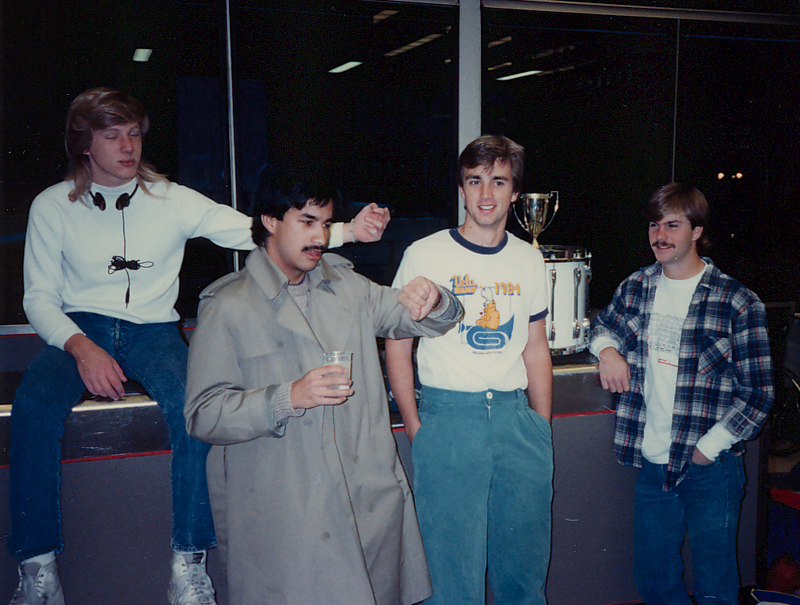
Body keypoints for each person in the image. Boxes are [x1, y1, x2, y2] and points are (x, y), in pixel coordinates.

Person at [9, 87, 389, 605]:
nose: (128, 146)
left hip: (153, 330)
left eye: (135, 134)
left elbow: (254, 230)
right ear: (84, 144)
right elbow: (38, 297)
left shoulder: (171, 198)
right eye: (112, 135)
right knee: (31, 407)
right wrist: (80, 347)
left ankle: (188, 563)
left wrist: (346, 231)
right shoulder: (52, 206)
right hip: (79, 327)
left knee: (196, 412)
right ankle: (37, 568)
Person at [183, 162, 464, 605]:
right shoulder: (228, 306)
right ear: (270, 221)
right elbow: (203, 415)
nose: (321, 237)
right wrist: (287, 397)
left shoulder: (348, 286)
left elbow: (428, 320)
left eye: (327, 223)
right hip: (287, 513)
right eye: (307, 222)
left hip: (361, 502)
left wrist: (434, 298)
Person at [385, 135, 554, 605]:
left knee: (523, 572)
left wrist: (539, 426)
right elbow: (397, 344)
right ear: (461, 189)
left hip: (515, 420)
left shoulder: (528, 258)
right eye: (475, 181)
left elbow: (535, 347)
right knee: (450, 576)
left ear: (514, 192)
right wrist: (416, 426)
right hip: (448, 420)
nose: (485, 194)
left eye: (498, 182)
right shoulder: (425, 253)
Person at [589, 183, 774, 605]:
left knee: (715, 585)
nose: (660, 235)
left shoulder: (737, 301)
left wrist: (707, 448)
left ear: (696, 232)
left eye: (673, 225)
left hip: (709, 466)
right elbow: (601, 328)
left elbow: (759, 393)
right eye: (655, 224)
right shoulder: (637, 286)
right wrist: (608, 351)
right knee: (654, 581)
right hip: (652, 462)